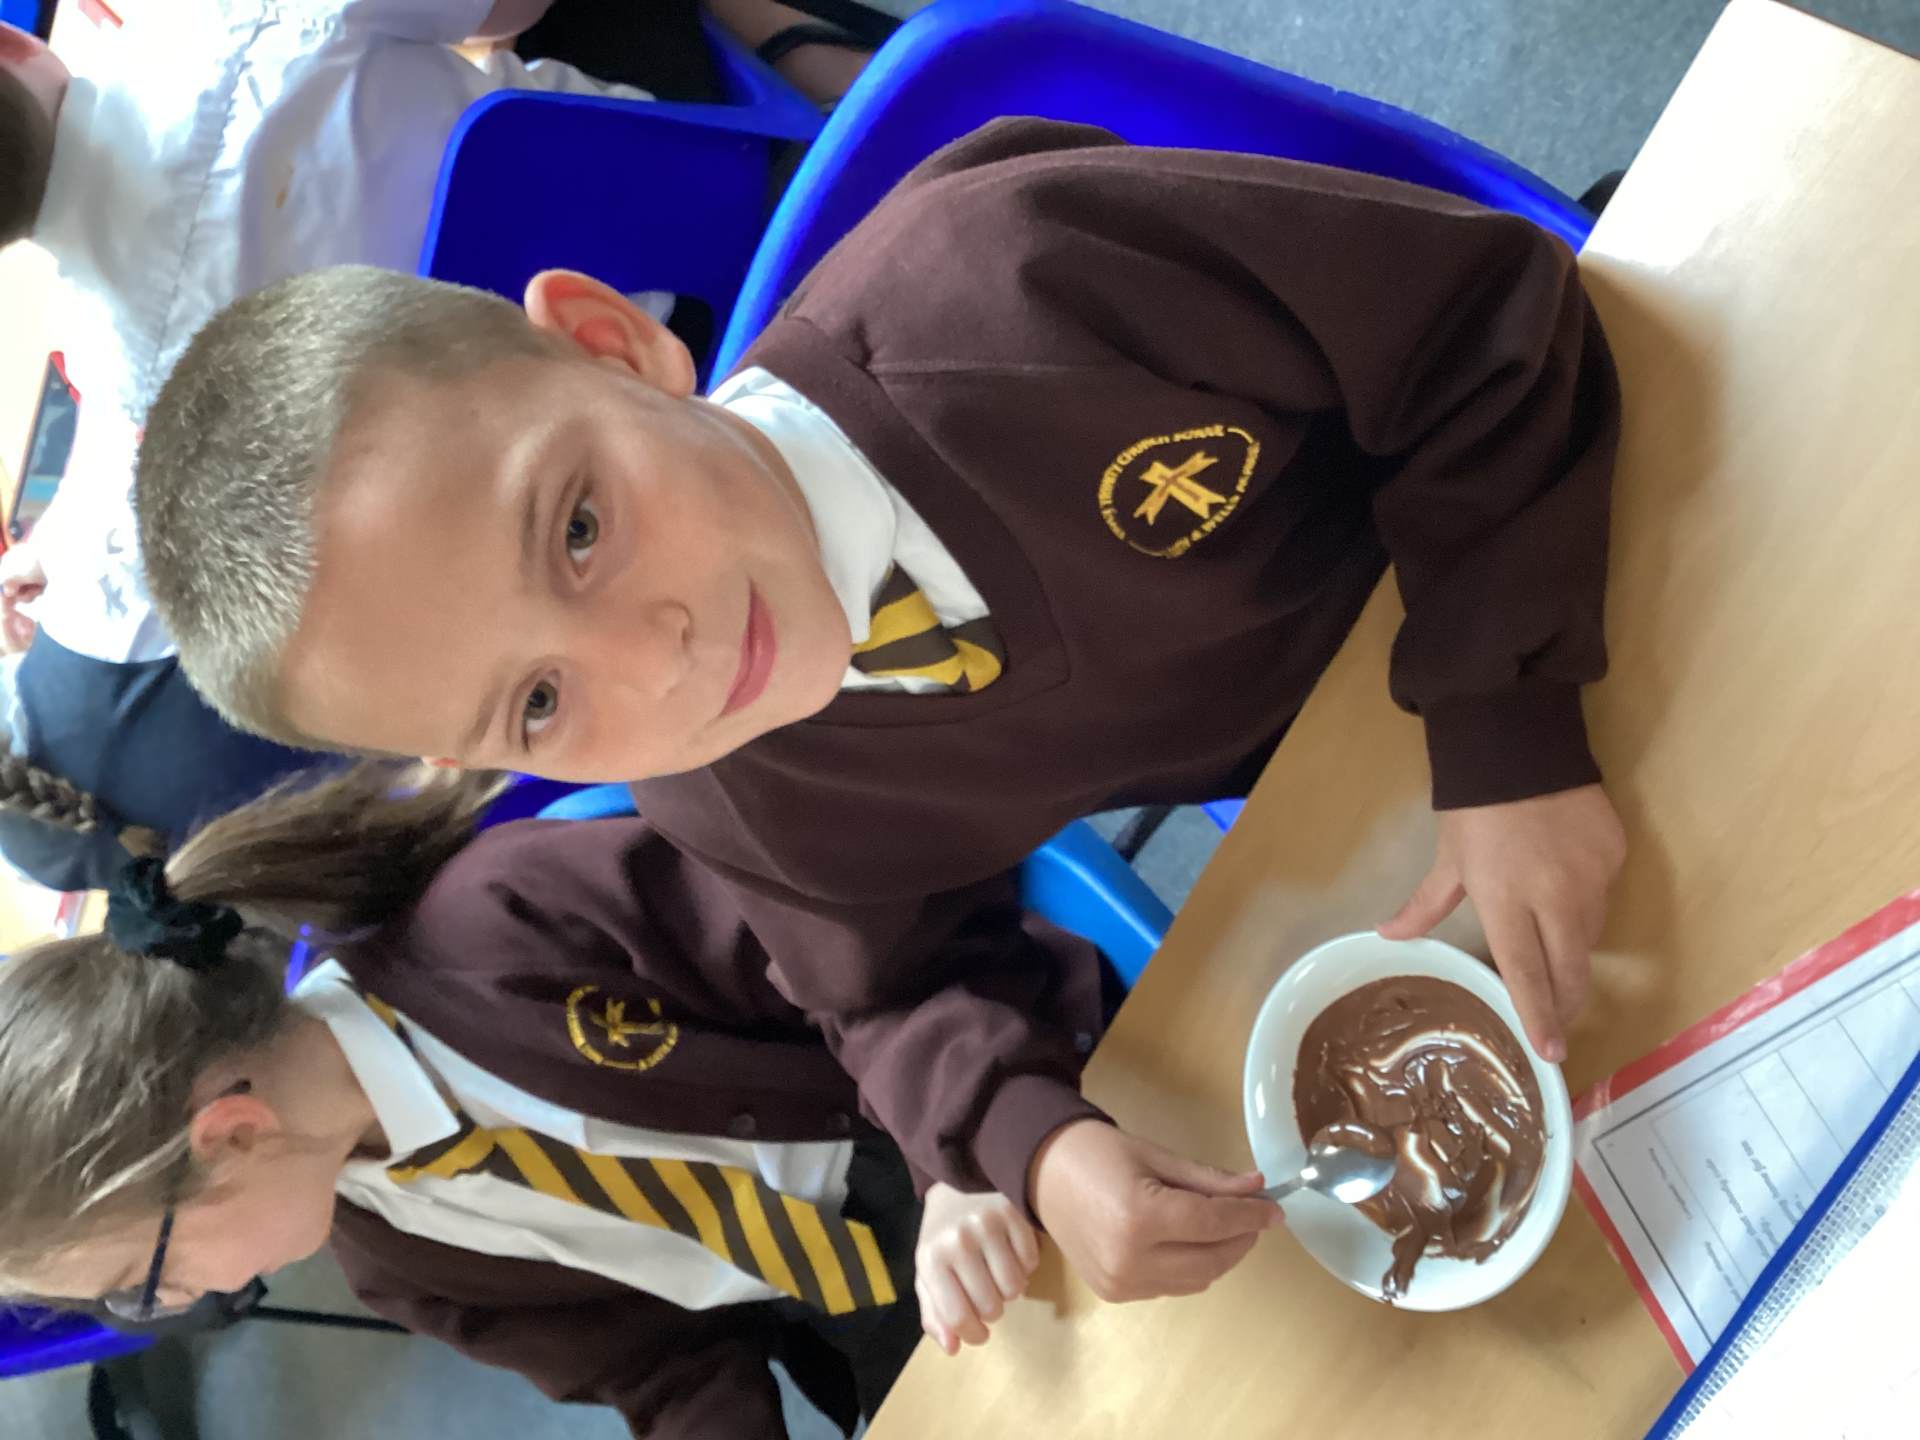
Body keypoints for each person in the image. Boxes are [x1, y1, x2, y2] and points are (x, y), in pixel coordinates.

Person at [136, 117, 1625, 1296]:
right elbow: (886, 985)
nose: (656, 662)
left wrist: (1503, 731)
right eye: (536, 702)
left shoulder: (1010, 287)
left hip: (1569, 564)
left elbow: (1487, 322)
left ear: (611, 344)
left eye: (580, 528)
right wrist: (1033, 1145)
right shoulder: (719, 790)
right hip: (1397, 797)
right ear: (468, 761)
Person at [0, 760, 1222, 1436]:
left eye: (145, 1277)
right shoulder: (386, 1252)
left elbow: (860, 950)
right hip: (878, 1302)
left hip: (976, 1093)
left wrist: (954, 1151)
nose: (171, 1304)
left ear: (229, 1134)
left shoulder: (497, 926)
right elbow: (659, 1367)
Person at [0, 1, 666, 876]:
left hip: (601, 459)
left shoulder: (129, 373)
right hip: (673, 212)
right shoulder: (237, 21)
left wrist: (59, 548)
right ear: (13, 42)